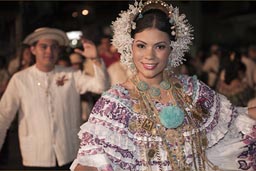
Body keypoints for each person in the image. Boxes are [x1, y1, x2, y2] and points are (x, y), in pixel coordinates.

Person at [70, 1, 256, 171]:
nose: (149, 55)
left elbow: (235, 119)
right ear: (130, 47)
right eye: (141, 46)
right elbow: (91, 160)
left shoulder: (191, 90)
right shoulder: (116, 103)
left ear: (171, 49)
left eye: (159, 47)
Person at [0, 27, 108, 170]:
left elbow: (101, 86)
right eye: (43, 47)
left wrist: (95, 59)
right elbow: (3, 116)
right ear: (33, 50)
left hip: (69, 155)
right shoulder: (20, 79)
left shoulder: (71, 74)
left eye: (54, 47)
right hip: (35, 158)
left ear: (58, 51)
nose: (49, 51)